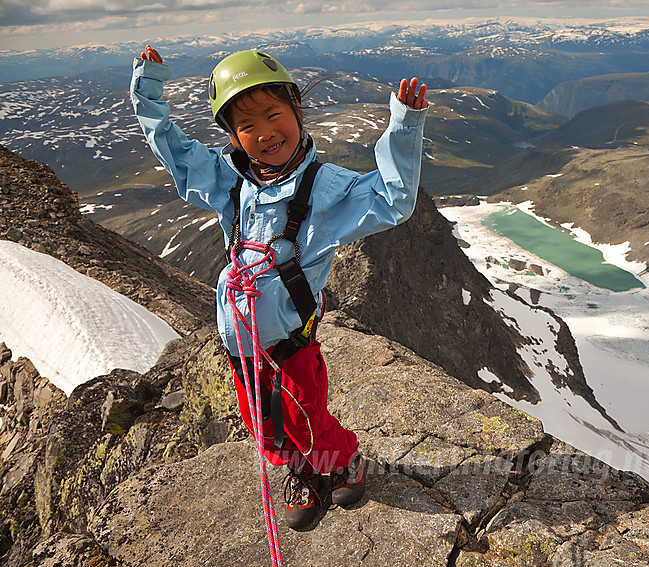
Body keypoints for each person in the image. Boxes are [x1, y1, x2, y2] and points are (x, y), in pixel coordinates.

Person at [130, 45, 428, 536]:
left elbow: (391, 199)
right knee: (264, 425)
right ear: (233, 136)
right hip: (241, 346)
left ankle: (341, 463)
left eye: (274, 114)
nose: (265, 132)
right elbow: (178, 155)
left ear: (297, 110)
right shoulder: (234, 183)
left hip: (290, 346)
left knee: (306, 419)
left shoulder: (325, 190)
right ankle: (304, 470)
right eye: (247, 125)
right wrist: (148, 91)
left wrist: (404, 126)